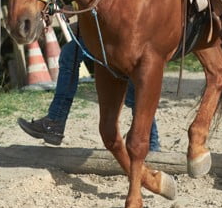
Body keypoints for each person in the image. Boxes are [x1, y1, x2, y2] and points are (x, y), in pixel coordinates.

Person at [18, 36, 161, 151]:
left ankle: (55, 122)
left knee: (131, 84)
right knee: (71, 54)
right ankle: (55, 121)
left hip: (118, 33)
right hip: (110, 32)